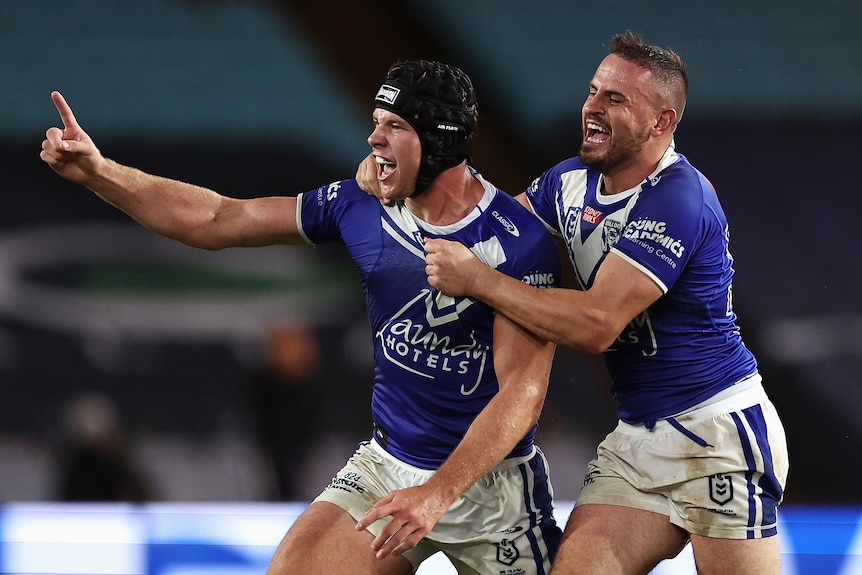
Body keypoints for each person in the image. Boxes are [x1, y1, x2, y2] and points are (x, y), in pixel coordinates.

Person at [41, 59, 563, 574]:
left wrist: (436, 494)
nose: (374, 141)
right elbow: (219, 219)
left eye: (395, 127)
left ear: (442, 141)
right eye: (376, 124)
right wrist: (101, 174)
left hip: (489, 491)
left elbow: (522, 395)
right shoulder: (359, 204)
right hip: (389, 467)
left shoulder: (518, 243)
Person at [359, 33, 789, 574]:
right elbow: (486, 231)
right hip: (637, 436)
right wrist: (400, 177)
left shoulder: (680, 197)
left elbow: (596, 324)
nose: (592, 106)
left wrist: (481, 283)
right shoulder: (569, 182)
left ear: (662, 122)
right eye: (593, 91)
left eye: (616, 99)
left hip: (718, 433)